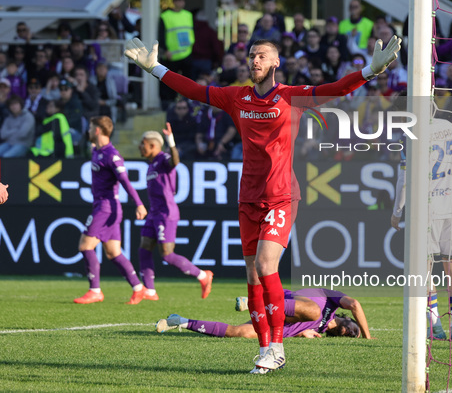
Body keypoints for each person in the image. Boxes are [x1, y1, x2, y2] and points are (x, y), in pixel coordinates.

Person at [125, 32, 400, 373]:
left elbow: (336, 88)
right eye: (252, 55)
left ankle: (278, 347)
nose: (254, 60)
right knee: (253, 277)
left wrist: (369, 72)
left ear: (275, 63)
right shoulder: (236, 97)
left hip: (282, 196)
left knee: (268, 267)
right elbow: (194, 91)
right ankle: (264, 349)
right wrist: (155, 69)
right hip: (248, 198)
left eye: (261, 56)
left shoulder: (292, 96)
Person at [391, 118, 452, 341]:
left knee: (424, 270)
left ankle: (436, 326)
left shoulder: (410, 134)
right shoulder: (450, 128)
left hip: (426, 209)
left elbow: (404, 179)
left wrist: (397, 212)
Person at [74, 116, 148, 305]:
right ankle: (138, 288)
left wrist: (139, 203)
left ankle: (95, 290)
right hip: (103, 206)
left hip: (106, 208)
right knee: (113, 252)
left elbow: (125, 182)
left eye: (91, 127)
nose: (88, 131)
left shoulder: (111, 155)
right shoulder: (96, 150)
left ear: (98, 130)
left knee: (85, 245)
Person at [138, 123, 214, 300]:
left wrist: (170, 141)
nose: (140, 147)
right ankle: (150, 291)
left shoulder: (164, 159)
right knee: (144, 248)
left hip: (166, 213)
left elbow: (175, 161)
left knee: (167, 254)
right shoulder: (150, 165)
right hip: (154, 213)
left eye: (143, 144)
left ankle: (203, 276)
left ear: (153, 145)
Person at [155, 288, 372, 340]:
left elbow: (300, 327)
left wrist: (302, 333)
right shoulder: (330, 300)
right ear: (348, 317)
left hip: (280, 323)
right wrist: (367, 336)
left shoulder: (317, 331)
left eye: (351, 335)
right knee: (314, 311)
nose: (351, 333)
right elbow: (355, 303)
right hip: (281, 302)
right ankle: (253, 302)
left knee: (239, 332)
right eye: (354, 329)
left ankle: (180, 321)